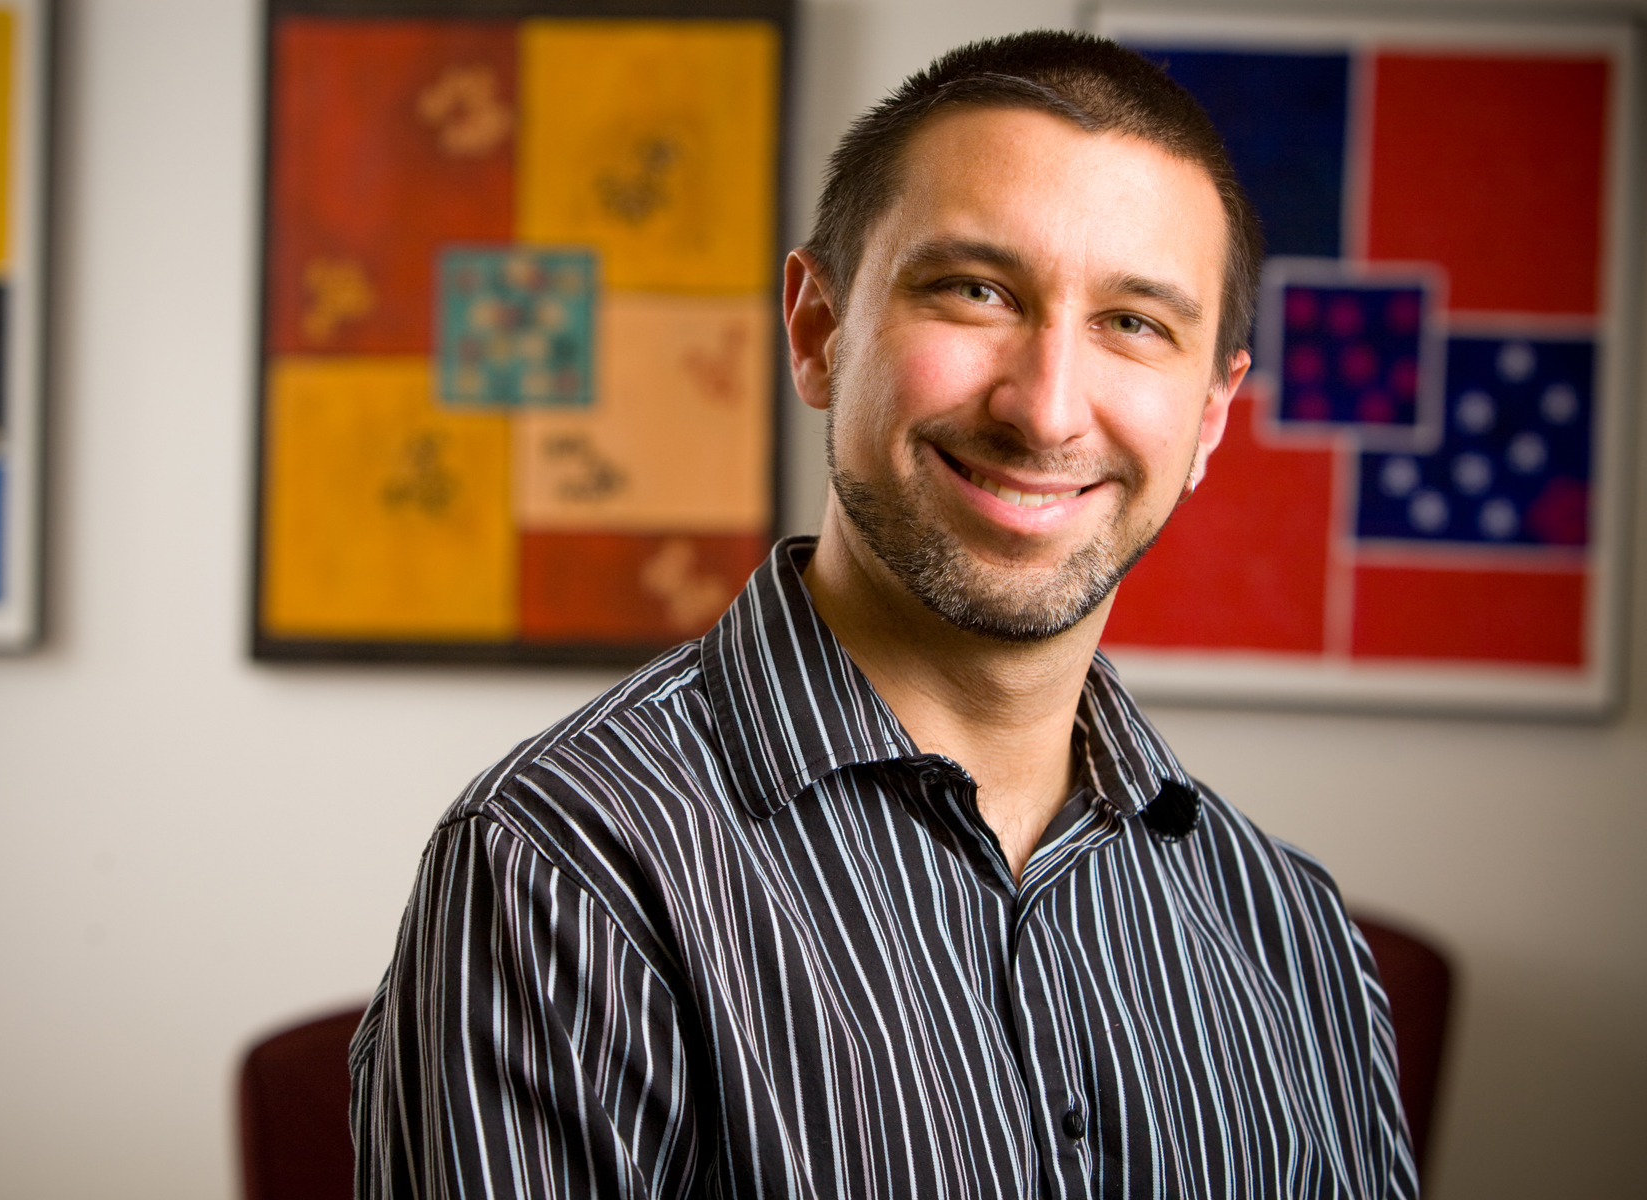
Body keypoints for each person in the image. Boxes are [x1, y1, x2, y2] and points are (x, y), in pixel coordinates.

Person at [351, 30, 1416, 1200]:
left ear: (1210, 419)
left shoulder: (1295, 936)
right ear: (820, 331)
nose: (1046, 410)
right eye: (976, 292)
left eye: (1133, 324)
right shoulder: (561, 869)